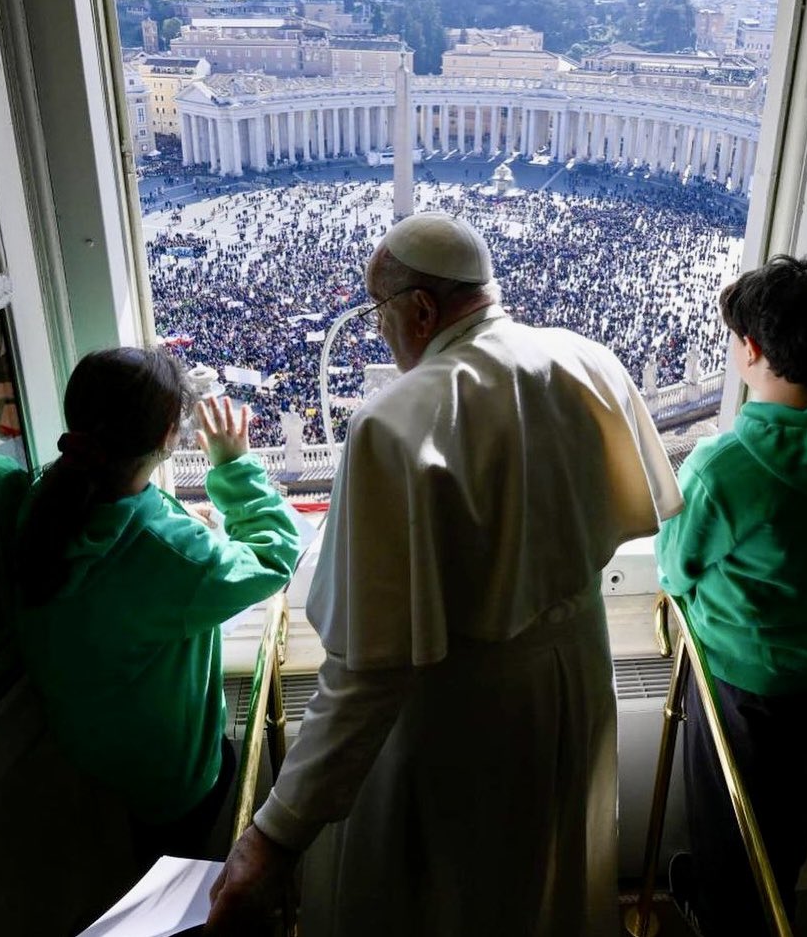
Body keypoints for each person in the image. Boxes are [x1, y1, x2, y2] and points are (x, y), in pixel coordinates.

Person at [206, 212, 683, 936]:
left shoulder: (391, 421)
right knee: (548, 884)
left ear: (420, 309)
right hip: (580, 673)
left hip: (465, 714)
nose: (379, 332)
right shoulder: (588, 358)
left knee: (455, 900)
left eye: (379, 314)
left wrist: (275, 831)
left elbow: (369, 668)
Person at [655, 254, 807, 935]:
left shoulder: (723, 466)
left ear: (750, 348)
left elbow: (675, 570)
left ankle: (725, 913)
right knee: (785, 793)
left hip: (740, 671)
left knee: (726, 810)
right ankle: (772, 898)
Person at [15, 347, 301, 868]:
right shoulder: (172, 554)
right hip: (170, 777)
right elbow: (275, 554)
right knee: (174, 897)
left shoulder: (44, 499)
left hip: (91, 747)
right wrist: (234, 465)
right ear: (171, 435)